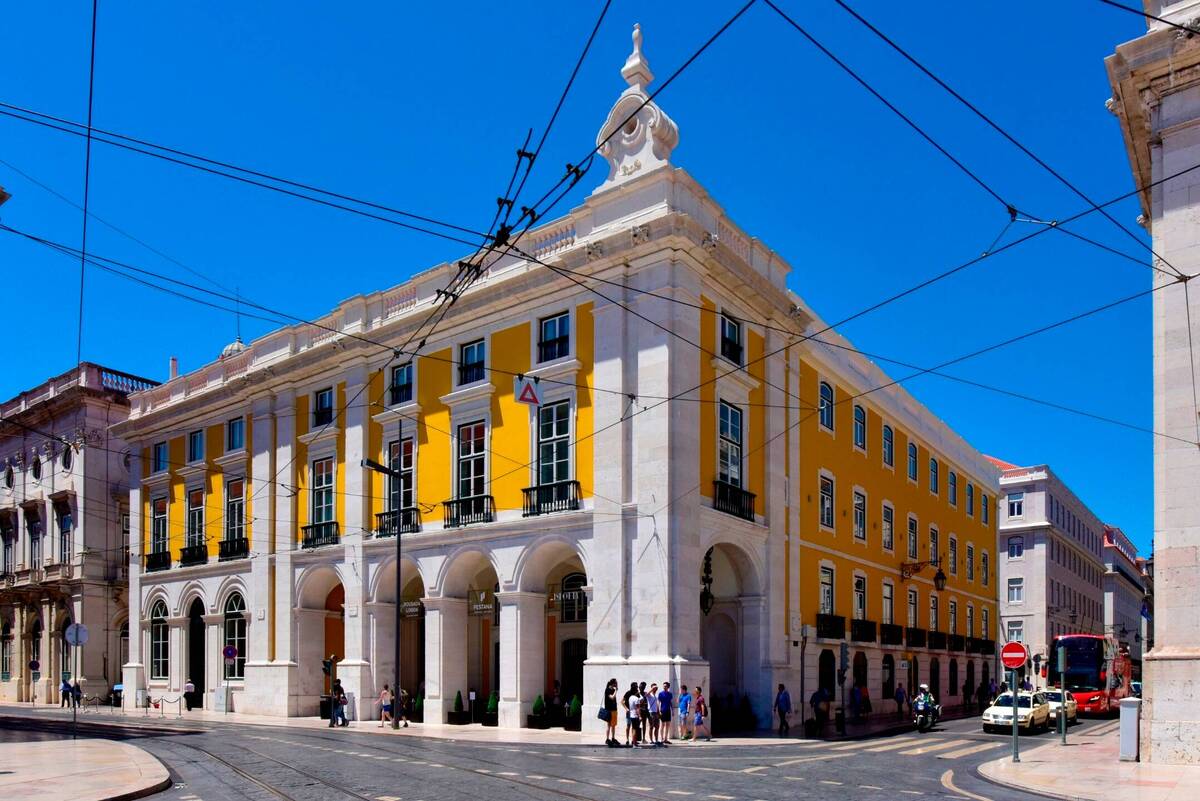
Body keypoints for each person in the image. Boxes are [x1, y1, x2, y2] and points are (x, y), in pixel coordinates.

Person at [622, 681, 640, 747]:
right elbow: (622, 701)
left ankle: (633, 740)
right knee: (628, 726)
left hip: (634, 713)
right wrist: (626, 709)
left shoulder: (636, 693)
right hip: (629, 712)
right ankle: (627, 739)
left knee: (634, 727)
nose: (637, 688)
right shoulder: (628, 693)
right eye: (636, 686)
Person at [604, 678, 620, 747]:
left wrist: (615, 690)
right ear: (613, 683)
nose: (617, 684)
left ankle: (613, 738)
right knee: (608, 725)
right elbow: (612, 698)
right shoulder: (608, 690)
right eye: (616, 683)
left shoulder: (613, 690)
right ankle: (607, 739)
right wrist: (616, 691)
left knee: (613, 725)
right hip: (609, 710)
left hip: (614, 709)